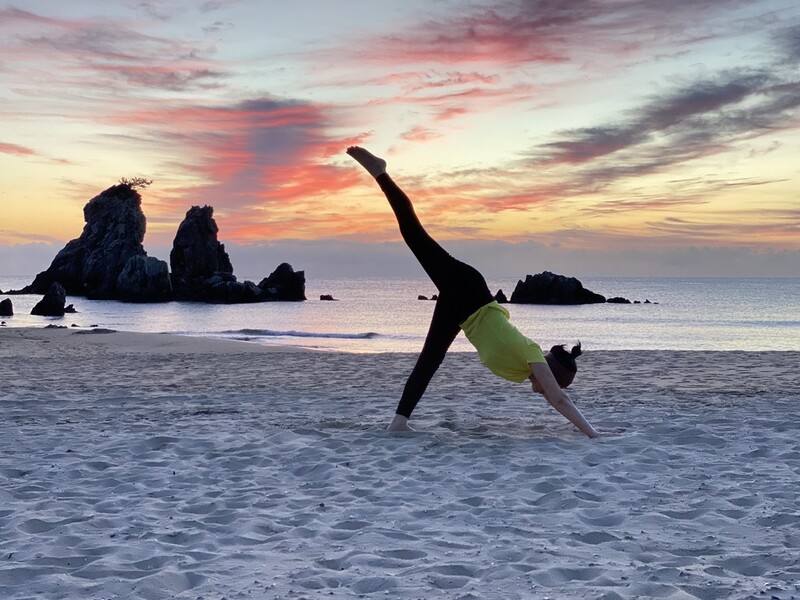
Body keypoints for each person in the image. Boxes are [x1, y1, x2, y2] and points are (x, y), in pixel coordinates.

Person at [347, 146, 615, 438]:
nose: (545, 392)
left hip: (464, 312)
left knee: (430, 360)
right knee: (414, 235)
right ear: (552, 374)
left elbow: (556, 399)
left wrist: (587, 428)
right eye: (554, 384)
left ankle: (399, 422)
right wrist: (593, 434)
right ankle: (381, 172)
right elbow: (559, 399)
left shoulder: (527, 367)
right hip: (468, 290)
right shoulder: (532, 355)